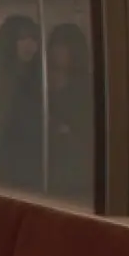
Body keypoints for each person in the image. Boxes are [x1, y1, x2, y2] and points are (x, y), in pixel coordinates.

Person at [0, 15, 43, 191]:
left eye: (33, 38)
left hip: (32, 158)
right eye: (22, 38)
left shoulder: (38, 76)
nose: (30, 44)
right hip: (6, 158)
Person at [44, 23, 93, 201]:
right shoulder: (40, 82)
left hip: (76, 175)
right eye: (55, 44)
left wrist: (68, 130)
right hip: (45, 168)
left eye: (64, 45)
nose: (58, 51)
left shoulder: (87, 87)